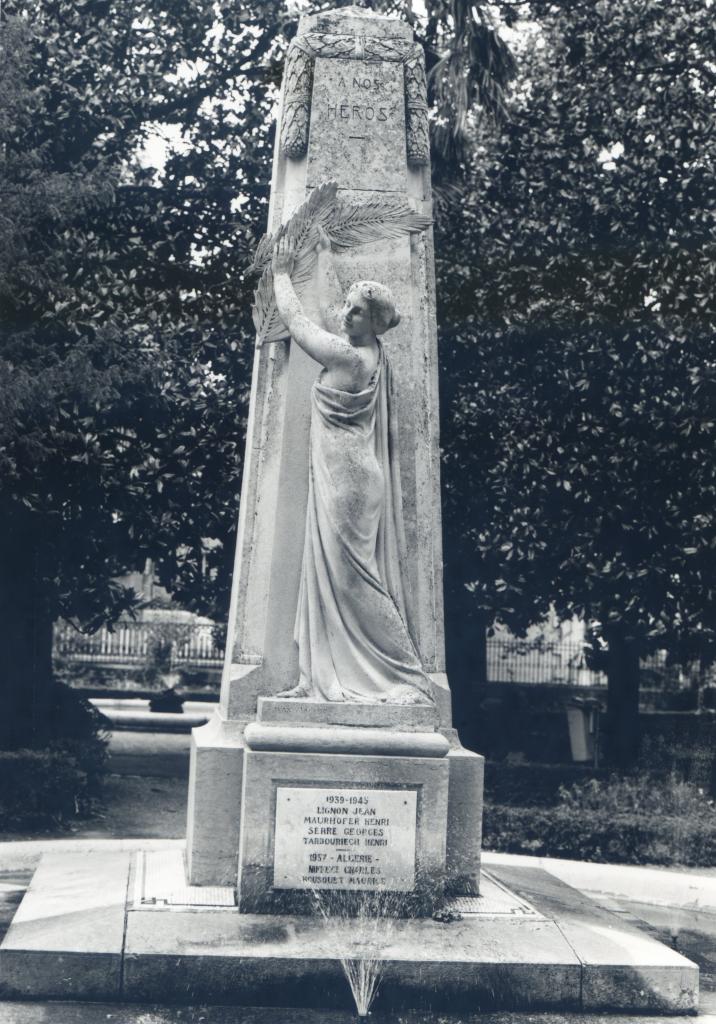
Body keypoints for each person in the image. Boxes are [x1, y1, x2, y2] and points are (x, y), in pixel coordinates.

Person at [270, 229, 433, 705]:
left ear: (375, 323)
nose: (346, 313)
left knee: (352, 581)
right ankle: (315, 674)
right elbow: (327, 316)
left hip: (350, 483)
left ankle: (408, 675)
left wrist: (282, 274)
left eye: (356, 311)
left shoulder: (351, 358)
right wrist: (323, 259)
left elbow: (302, 325)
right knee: (329, 577)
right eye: (347, 305)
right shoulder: (368, 351)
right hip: (349, 475)